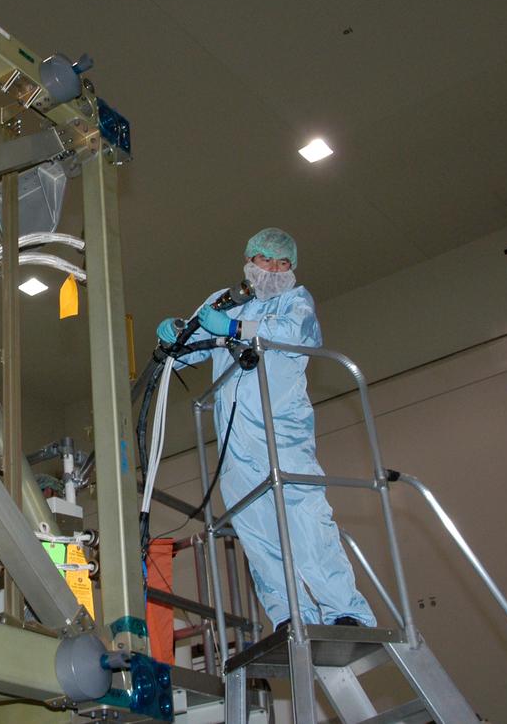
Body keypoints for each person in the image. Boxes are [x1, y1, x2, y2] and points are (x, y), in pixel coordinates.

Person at [157, 227, 375, 629]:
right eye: (265, 260)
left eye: (283, 263)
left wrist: (237, 331)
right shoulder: (223, 304)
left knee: (307, 520)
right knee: (256, 534)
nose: (273, 269)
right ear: (248, 261)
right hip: (235, 444)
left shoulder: (296, 301)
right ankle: (291, 617)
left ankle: (344, 610)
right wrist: (174, 334)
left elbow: (295, 335)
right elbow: (187, 352)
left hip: (283, 434)